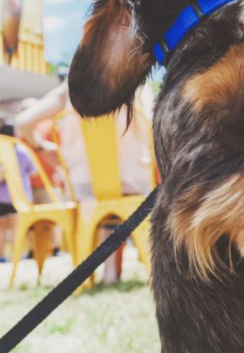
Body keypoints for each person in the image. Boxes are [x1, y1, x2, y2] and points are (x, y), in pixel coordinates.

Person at [14, 79, 153, 284]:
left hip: (86, 188)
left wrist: (41, 146)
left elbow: (22, 122)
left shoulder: (72, 84)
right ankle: (117, 272)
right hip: (135, 183)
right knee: (124, 202)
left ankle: (107, 273)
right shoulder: (138, 81)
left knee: (99, 208)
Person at [0, 123, 37, 262]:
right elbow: (33, 172)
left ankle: (1, 256)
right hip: (19, 196)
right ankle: (15, 256)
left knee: (0, 227)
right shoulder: (23, 152)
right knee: (16, 227)